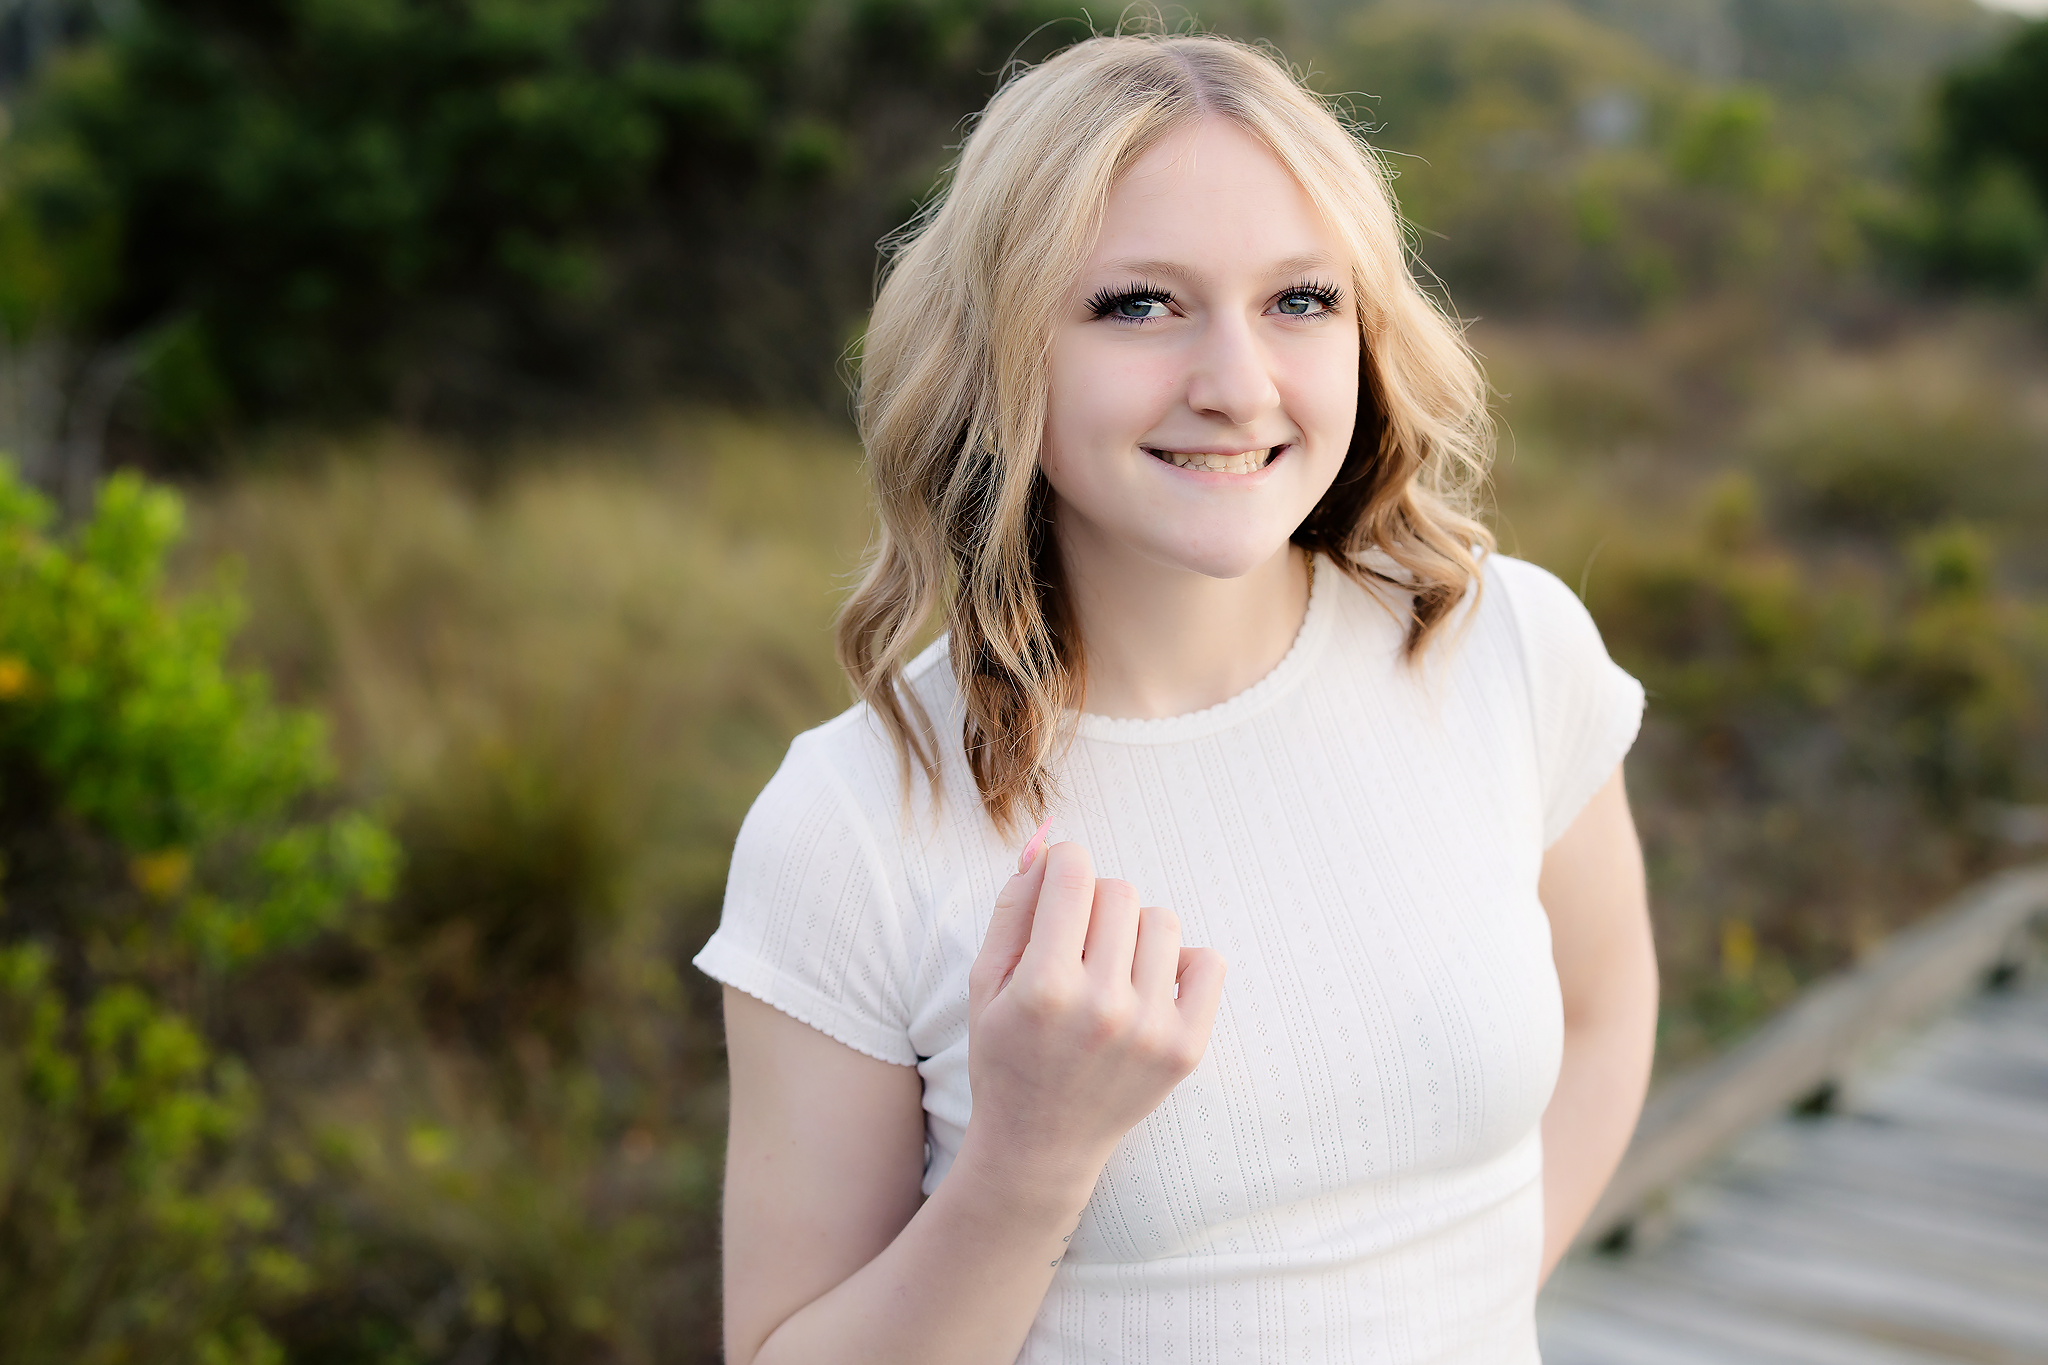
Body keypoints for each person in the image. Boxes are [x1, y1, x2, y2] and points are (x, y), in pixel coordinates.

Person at [695, 31, 1657, 1365]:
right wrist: (1031, 1163)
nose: (1237, 386)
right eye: (1139, 303)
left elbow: (1610, 1016)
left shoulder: (1502, 646)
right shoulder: (853, 820)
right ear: (997, 350)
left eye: (1301, 301)